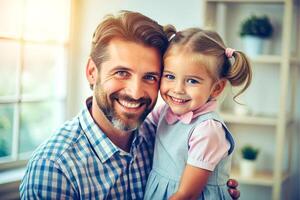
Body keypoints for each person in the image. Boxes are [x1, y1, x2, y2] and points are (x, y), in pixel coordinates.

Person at [19, 11, 240, 199]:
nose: (135, 93)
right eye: (122, 72)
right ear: (92, 72)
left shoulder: (158, 132)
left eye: (151, 77)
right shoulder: (54, 169)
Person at [143, 27, 252, 200]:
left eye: (192, 81)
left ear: (216, 88)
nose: (177, 90)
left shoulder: (207, 129)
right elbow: (141, 128)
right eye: (170, 76)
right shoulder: (165, 110)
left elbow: (186, 194)